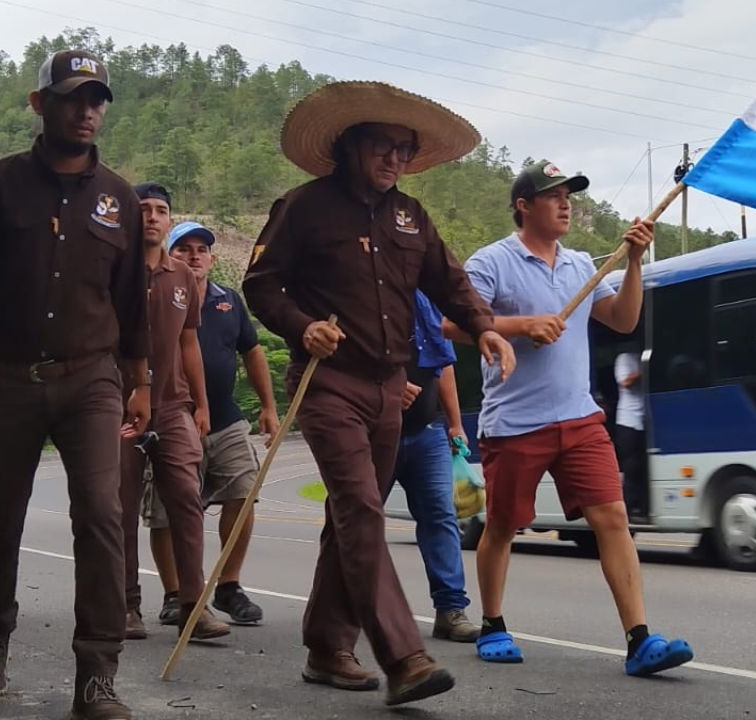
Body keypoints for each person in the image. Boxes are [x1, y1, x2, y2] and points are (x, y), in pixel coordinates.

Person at [242, 81, 515, 707]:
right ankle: (403, 656)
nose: (395, 159)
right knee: (362, 507)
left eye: (405, 149)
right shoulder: (304, 207)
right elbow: (262, 283)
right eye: (383, 146)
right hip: (329, 383)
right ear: (349, 146)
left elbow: (449, 281)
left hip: (392, 390)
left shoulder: (411, 216)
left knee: (348, 523)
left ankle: (325, 646)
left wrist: (486, 329)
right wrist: (300, 325)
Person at [0, 50, 149, 720]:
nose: (87, 110)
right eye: (73, 97)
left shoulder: (120, 198)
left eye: (97, 99)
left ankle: (97, 676)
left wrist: (141, 383)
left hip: (93, 379)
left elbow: (131, 302)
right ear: (39, 103)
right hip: (5, 379)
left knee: (102, 514)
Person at [445, 159, 692, 677]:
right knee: (504, 527)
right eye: (554, 195)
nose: (566, 204)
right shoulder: (492, 262)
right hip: (516, 421)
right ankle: (492, 624)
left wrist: (636, 262)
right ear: (523, 205)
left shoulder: (583, 265)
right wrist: (521, 325)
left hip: (580, 418)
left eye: (570, 196)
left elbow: (622, 320)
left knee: (614, 518)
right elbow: (453, 323)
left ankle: (639, 640)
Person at [145, 219, 280, 627]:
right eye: (184, 249)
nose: (194, 255)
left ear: (213, 258)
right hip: (170, 416)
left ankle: (229, 586)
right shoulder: (159, 292)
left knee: (244, 491)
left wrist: (268, 406)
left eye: (201, 249)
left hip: (224, 418)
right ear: (170, 256)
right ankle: (175, 594)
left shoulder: (229, 301)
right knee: (167, 508)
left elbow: (253, 352)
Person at [119, 184, 225, 644]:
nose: (152, 218)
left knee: (187, 499)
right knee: (118, 508)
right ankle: (125, 605)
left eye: (161, 211)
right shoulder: (112, 271)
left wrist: (201, 404)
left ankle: (192, 606)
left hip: (174, 406)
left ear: (169, 219)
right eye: (143, 210)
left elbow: (189, 343)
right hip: (118, 407)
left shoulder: (182, 275)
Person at [390, 291, 480, 643]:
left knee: (441, 516)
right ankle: (342, 608)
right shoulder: (366, 294)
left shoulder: (426, 303)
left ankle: (451, 609)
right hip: (377, 431)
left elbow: (442, 365)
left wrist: (456, 423)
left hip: (427, 430)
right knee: (354, 519)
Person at [612, 348, 648, 523]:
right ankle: (628, 508)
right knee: (631, 466)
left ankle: (640, 506)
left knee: (642, 466)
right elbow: (625, 382)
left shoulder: (642, 357)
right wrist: (644, 371)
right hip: (627, 421)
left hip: (642, 421)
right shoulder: (624, 357)